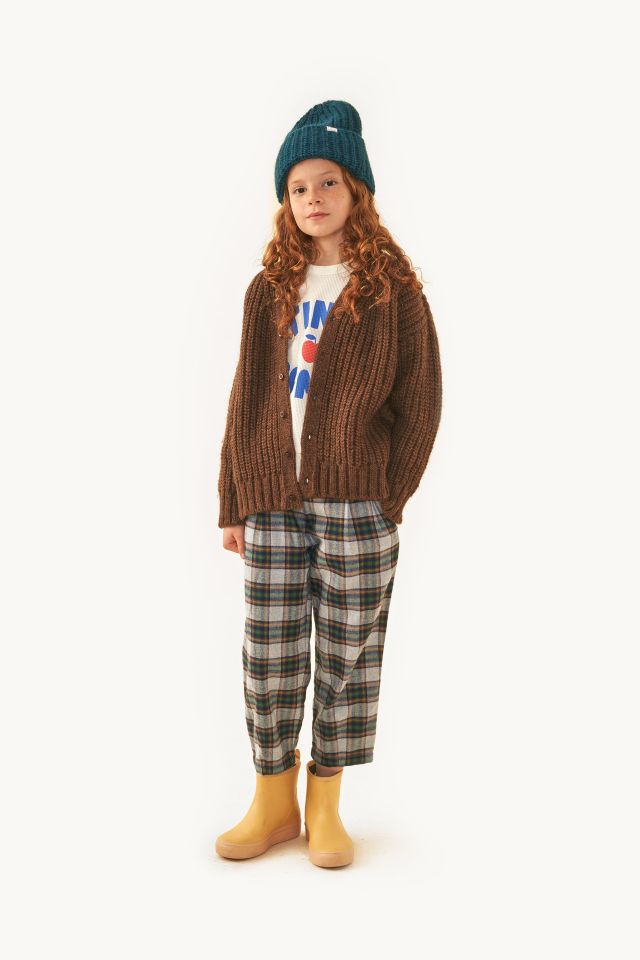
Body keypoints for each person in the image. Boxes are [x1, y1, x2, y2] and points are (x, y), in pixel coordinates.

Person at [214, 100, 443, 868]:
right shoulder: (267, 290)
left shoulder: (392, 289)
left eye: (328, 183)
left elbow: (421, 399)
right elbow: (246, 398)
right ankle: (272, 802)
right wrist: (233, 499)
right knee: (269, 653)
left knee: (347, 655)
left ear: (357, 191)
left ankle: (325, 804)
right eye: (298, 187)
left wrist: (389, 497)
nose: (313, 198)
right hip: (272, 500)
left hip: (358, 503)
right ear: (286, 200)